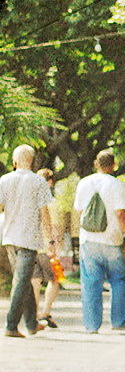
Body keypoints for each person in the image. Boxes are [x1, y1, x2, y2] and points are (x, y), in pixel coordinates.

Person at [74, 149, 125, 333]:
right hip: (112, 239)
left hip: (89, 239)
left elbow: (79, 210)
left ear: (96, 164)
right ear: (114, 165)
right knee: (118, 280)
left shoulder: (84, 183)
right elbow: (121, 213)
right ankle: (118, 322)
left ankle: (92, 326)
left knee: (91, 283)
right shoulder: (117, 185)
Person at [0, 145, 55, 338]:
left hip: (9, 238)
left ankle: (31, 324)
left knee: (23, 280)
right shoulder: (38, 182)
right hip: (28, 239)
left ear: (14, 162)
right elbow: (45, 213)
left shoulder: (4, 180)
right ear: (32, 161)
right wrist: (50, 239)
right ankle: (11, 326)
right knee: (21, 282)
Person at [30, 168, 62, 328]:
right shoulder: (51, 202)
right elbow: (54, 225)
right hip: (47, 247)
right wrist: (53, 244)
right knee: (54, 280)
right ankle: (46, 311)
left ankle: (34, 314)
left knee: (35, 281)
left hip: (31, 246)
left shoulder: (30, 200)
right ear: (50, 182)